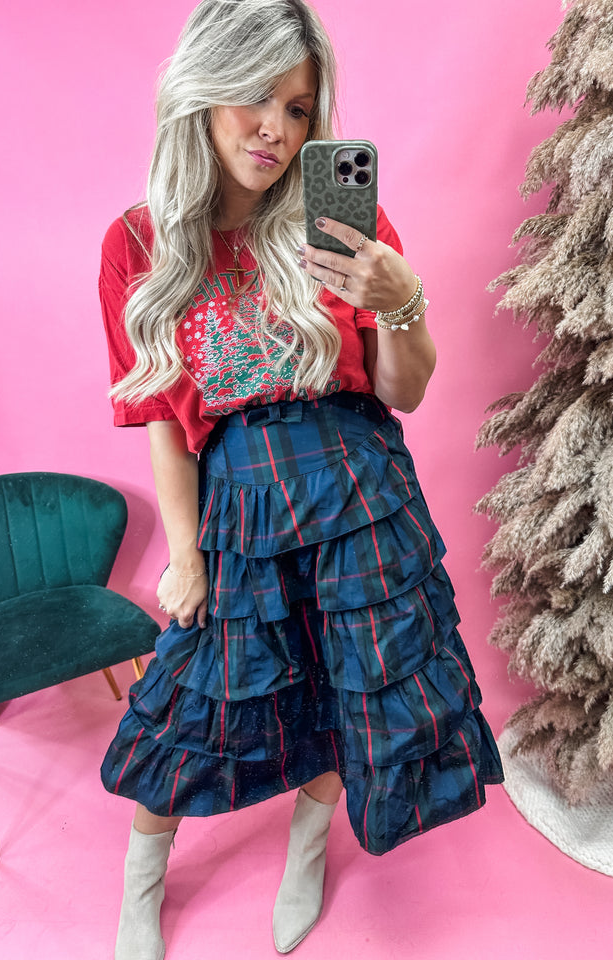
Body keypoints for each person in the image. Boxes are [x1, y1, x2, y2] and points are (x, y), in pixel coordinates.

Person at [99, 1, 503, 957]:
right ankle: (142, 879)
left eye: (297, 107)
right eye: (255, 98)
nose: (275, 129)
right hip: (241, 503)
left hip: (360, 495)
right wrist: (188, 553)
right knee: (197, 699)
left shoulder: (338, 220)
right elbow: (163, 422)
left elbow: (403, 391)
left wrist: (404, 303)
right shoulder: (139, 244)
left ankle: (308, 851)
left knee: (346, 688)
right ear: (202, 92)